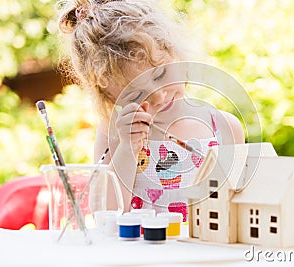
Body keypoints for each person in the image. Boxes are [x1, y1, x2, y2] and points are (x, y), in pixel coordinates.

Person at [57, 0, 245, 219]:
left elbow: (239, 208)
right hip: (140, 252)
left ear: (176, 55)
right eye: (137, 93)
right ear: (110, 97)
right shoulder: (114, 132)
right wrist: (128, 150)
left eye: (160, 75)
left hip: (207, 252)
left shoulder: (224, 128)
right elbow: (104, 214)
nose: (159, 96)